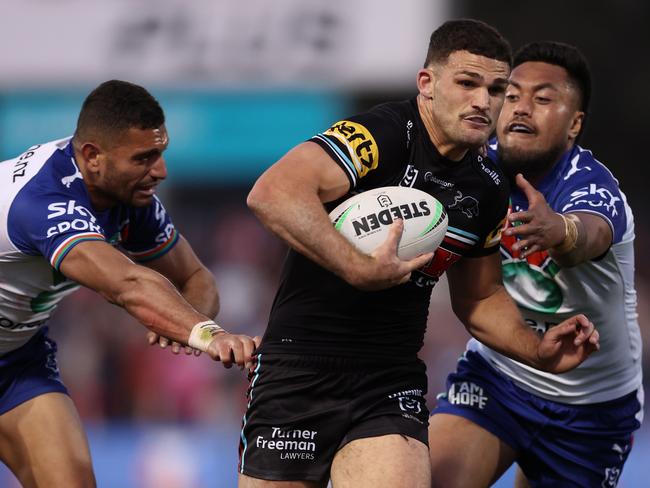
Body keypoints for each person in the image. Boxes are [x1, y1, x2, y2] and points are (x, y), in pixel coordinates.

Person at [241, 21, 599, 488]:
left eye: (496, 89)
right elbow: (272, 192)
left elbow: (479, 298)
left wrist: (538, 347)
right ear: (426, 84)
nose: (483, 102)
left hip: (388, 381)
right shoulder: (381, 134)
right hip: (297, 372)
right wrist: (358, 266)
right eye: (467, 83)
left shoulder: (488, 187)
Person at [0, 80, 259, 488]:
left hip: (15, 362)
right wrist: (207, 335)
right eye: (144, 158)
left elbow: (196, 279)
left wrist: (182, 323)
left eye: (160, 153)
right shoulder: (41, 200)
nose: (160, 171)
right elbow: (125, 284)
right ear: (92, 157)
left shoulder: (129, 199)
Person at [429, 41, 644, 488]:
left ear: (574, 124)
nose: (522, 108)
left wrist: (560, 231)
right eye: (511, 95)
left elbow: (590, 233)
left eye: (543, 99)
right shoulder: (472, 167)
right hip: (499, 376)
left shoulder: (593, 186)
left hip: (592, 410)